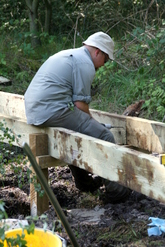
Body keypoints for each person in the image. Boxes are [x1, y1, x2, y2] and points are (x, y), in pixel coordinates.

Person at [24, 31, 131, 202]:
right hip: (50, 110)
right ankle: (116, 191)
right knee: (104, 135)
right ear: (98, 52)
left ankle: (85, 183)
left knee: (80, 130)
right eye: (106, 59)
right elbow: (80, 107)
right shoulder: (84, 63)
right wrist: (96, 126)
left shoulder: (71, 55)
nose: (104, 64)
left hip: (37, 109)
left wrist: (90, 124)